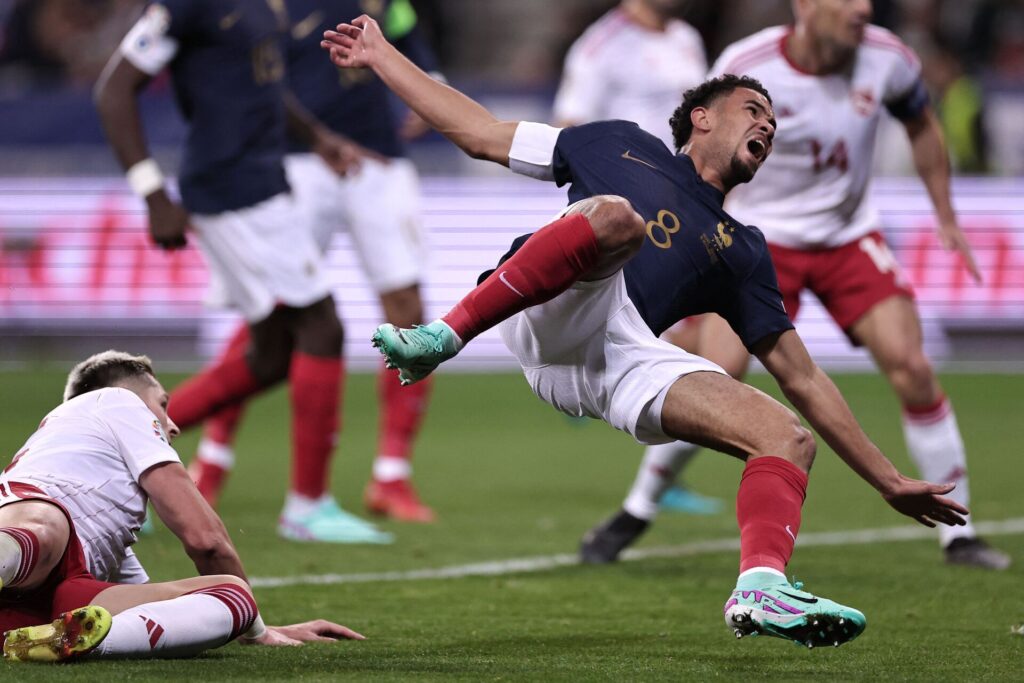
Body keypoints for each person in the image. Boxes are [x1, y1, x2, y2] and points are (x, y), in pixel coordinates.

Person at [321, 16, 968, 647]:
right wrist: (382, 56)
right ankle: (442, 337)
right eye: (752, 110)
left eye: (772, 123)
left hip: (615, 356)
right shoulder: (617, 143)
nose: (766, 125)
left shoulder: (742, 249)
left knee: (786, 437)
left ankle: (761, 584)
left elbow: (802, 375)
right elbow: (482, 133)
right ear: (701, 117)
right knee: (616, 219)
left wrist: (887, 478)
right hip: (550, 305)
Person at [583, 0, 1011, 570]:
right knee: (715, 376)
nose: (862, 8)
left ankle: (961, 534)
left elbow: (921, 122)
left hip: (848, 236)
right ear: (805, 6)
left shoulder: (889, 59)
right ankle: (636, 510)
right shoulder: (748, 65)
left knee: (912, 367)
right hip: (764, 240)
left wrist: (945, 213)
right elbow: (701, 151)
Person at [94, 0, 391, 543]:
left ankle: (112, 454)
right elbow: (113, 90)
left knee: (271, 356)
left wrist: (316, 136)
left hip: (262, 179)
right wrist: (152, 193)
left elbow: (261, 82)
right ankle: (308, 507)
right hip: (233, 188)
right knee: (321, 325)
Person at [189, 0, 441, 524]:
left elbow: (415, 51)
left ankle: (391, 476)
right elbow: (258, 71)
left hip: (380, 162)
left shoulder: (391, 8)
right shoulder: (285, 6)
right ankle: (210, 464)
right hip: (304, 159)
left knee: (409, 311)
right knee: (274, 313)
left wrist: (428, 88)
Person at [0, 351, 363, 662]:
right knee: (46, 529)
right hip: (27, 540)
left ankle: (60, 640)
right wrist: (256, 630)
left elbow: (158, 602)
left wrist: (248, 618)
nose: (172, 426)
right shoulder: (115, 401)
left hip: (42, 602)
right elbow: (205, 538)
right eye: (162, 405)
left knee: (231, 595)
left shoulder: (102, 510)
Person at [553, 0, 722, 518]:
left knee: (688, 339)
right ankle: (586, 377)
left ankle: (657, 462)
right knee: (685, 340)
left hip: (683, 207)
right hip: (632, 211)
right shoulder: (602, 45)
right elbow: (569, 130)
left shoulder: (687, 39)